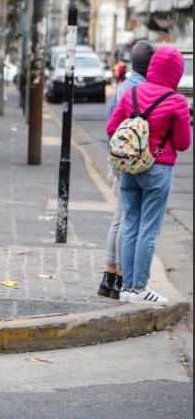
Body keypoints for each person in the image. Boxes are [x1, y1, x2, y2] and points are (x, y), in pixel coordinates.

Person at [106, 45, 192, 304]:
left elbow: (112, 128)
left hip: (129, 168)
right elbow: (183, 143)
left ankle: (126, 288)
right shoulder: (175, 101)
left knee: (130, 224)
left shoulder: (131, 92)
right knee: (149, 229)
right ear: (176, 72)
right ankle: (140, 287)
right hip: (157, 168)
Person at [98, 40, 155, 299]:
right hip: (133, 158)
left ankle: (109, 275)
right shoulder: (142, 88)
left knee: (119, 217)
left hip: (119, 154)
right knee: (127, 218)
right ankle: (120, 275)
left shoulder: (124, 86)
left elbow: (111, 120)